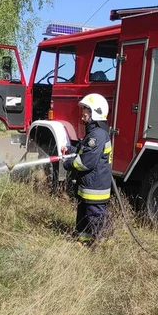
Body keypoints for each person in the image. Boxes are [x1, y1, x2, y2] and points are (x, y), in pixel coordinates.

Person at [61, 93, 113, 245]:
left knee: (95, 216)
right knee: (84, 215)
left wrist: (68, 164)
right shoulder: (93, 134)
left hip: (95, 187)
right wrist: (70, 149)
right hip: (89, 185)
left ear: (95, 112)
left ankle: (105, 245)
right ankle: (84, 240)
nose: (83, 113)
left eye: (86, 110)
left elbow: (85, 162)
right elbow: (84, 150)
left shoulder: (97, 136)